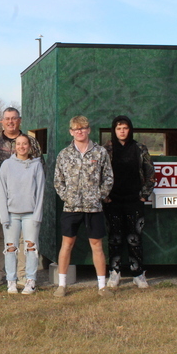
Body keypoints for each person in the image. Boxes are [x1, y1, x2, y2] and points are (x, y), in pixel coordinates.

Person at [53, 115, 114, 298]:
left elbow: (108, 178)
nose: (79, 131)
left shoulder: (100, 152)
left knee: (97, 245)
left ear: (88, 130)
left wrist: (99, 196)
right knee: (67, 244)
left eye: (83, 128)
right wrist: (67, 197)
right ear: (71, 132)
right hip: (71, 208)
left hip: (94, 208)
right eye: (75, 129)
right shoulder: (64, 154)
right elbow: (58, 180)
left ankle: (102, 286)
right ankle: (62, 285)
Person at [0, 107, 43, 287]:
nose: (10, 122)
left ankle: (21, 275)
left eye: (14, 118)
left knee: (23, 239)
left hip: (26, 201)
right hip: (2, 198)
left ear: (19, 120)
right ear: (2, 121)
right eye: (7, 119)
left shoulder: (31, 142)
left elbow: (39, 168)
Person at [103, 116, 155, 289]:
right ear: (114, 130)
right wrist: (105, 196)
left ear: (130, 129)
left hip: (134, 201)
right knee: (115, 239)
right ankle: (114, 272)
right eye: (119, 128)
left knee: (135, 238)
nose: (122, 131)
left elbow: (150, 174)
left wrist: (144, 195)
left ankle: (138, 273)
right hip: (113, 201)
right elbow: (99, 175)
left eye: (125, 128)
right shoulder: (107, 149)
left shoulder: (140, 148)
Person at [0, 135, 45, 294]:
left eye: (25, 144)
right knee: (10, 248)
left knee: (31, 248)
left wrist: (38, 215)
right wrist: (4, 216)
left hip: (30, 214)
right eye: (18, 144)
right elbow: (2, 192)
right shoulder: (6, 165)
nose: (21, 147)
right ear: (15, 146)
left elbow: (40, 192)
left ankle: (30, 280)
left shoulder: (36, 165)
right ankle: (11, 281)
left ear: (29, 146)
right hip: (12, 214)